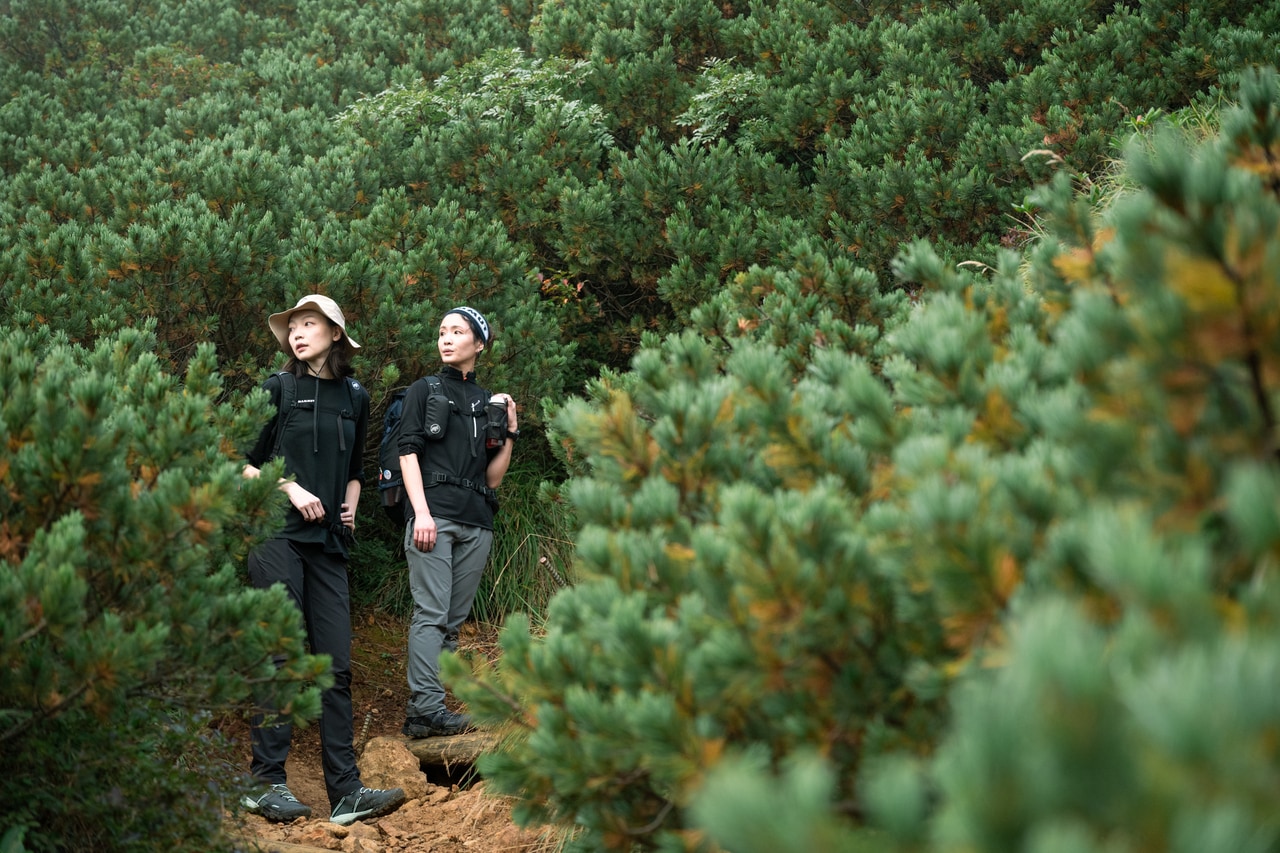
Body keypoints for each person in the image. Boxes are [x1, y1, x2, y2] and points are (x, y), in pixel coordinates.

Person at [240, 294, 406, 825]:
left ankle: (346, 793)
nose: (297, 332)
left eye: (308, 324)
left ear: (335, 333)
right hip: (276, 537)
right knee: (283, 658)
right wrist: (288, 488)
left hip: (329, 544)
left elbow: (355, 468)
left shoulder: (355, 395)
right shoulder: (277, 388)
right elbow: (240, 461)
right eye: (292, 326)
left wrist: (351, 505)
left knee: (335, 667)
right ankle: (265, 783)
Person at [397, 306, 517, 738]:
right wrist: (422, 512)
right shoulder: (424, 389)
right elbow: (406, 452)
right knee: (430, 613)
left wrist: (510, 433)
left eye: (457, 332)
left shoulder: (489, 402)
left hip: (477, 520)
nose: (446, 338)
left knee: (451, 620)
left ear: (479, 344)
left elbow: (494, 476)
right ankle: (425, 710)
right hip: (435, 516)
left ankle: (432, 709)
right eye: (442, 331)